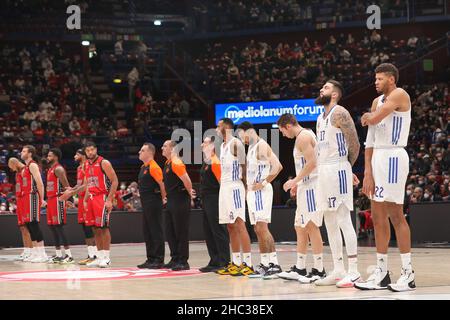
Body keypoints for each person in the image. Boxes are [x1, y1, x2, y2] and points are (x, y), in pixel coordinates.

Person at [356, 63, 415, 292]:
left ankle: (408, 273)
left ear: (391, 79)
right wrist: (367, 171)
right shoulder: (375, 101)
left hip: (393, 156)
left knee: (396, 215)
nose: (376, 82)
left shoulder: (399, 94)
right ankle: (382, 273)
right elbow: (369, 139)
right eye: (375, 79)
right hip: (377, 157)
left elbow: (376, 118)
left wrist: (368, 116)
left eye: (380, 79)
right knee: (377, 216)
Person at [313, 80, 361, 288]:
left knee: (343, 219)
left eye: (326, 88)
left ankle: (355, 271)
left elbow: (355, 143)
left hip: (337, 167)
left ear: (334, 94)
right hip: (323, 170)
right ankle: (338, 269)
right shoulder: (319, 118)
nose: (321, 90)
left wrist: (347, 167)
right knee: (329, 221)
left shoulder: (340, 112)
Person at [276, 114, 326, 283]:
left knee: (312, 226)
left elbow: (312, 163)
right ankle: (300, 267)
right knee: (300, 226)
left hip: (312, 186)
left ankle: (319, 269)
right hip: (306, 185)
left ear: (288, 126)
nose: (283, 135)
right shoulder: (305, 134)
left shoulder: (303, 137)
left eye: (282, 131)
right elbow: (306, 164)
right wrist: (299, 183)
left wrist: (294, 181)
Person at [236, 121, 283, 279]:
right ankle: (264, 263)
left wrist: (263, 183)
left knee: (263, 228)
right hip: (252, 193)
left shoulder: (262, 145)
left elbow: (277, 166)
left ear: (247, 131)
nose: (241, 140)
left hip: (261, 192)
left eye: (241, 136)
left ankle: (274, 264)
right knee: (257, 229)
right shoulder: (251, 148)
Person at [215, 118, 255, 277]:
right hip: (224, 187)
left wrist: (245, 187)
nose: (217, 129)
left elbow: (244, 167)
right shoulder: (223, 145)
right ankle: (236, 262)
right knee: (230, 225)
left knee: (239, 223)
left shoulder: (236, 143)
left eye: (219, 126)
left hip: (235, 186)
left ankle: (248, 263)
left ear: (227, 127)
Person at [83, 141, 119, 268]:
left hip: (102, 197)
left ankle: (107, 257)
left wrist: (109, 199)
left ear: (96, 149)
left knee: (103, 227)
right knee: (95, 228)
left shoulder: (104, 162)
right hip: (92, 199)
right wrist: (85, 200)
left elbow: (115, 181)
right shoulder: (86, 164)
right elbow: (88, 184)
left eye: (92, 149)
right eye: (88, 150)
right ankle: (99, 257)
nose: (90, 152)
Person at [60, 148, 98, 265]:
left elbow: (87, 185)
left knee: (91, 228)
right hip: (81, 200)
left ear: (83, 155)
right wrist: (72, 189)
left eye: (77, 154)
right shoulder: (79, 168)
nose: (74, 156)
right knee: (84, 227)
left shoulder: (88, 166)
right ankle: (90, 255)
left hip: (88, 199)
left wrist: (72, 193)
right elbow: (80, 184)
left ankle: (96, 254)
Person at [198, 137, 230, 272]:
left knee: (218, 230)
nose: (202, 145)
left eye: (205, 142)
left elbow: (221, 182)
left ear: (212, 145)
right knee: (209, 231)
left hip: (215, 198)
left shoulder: (216, 162)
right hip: (206, 199)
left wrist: (224, 202)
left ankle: (224, 261)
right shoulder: (207, 162)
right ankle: (214, 260)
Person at [161, 140, 194, 271]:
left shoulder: (177, 162)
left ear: (172, 148)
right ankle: (175, 258)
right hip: (171, 200)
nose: (162, 148)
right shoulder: (167, 163)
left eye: (165, 146)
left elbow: (187, 180)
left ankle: (183, 261)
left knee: (180, 231)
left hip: (180, 200)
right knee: (170, 231)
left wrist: (190, 196)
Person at [137, 143, 166, 269]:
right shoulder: (144, 167)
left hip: (154, 202)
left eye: (142, 150)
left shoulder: (154, 167)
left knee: (156, 230)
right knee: (147, 231)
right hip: (146, 203)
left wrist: (164, 198)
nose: (139, 152)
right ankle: (151, 258)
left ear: (150, 153)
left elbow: (162, 184)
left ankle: (159, 259)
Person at [45, 148, 74, 264]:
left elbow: (67, 185)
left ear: (56, 157)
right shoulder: (50, 169)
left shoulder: (58, 169)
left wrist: (69, 199)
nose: (47, 157)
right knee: (52, 227)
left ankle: (69, 255)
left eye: (50, 155)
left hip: (58, 199)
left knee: (59, 227)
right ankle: (58, 255)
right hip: (51, 200)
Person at [20, 145, 48, 263]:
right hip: (26, 197)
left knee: (34, 224)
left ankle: (42, 254)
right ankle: (35, 252)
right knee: (29, 225)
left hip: (32, 197)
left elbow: (40, 183)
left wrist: (42, 199)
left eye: (24, 151)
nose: (21, 152)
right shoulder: (26, 167)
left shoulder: (32, 165)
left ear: (30, 153)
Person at [8, 157, 32, 261]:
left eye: (11, 167)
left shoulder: (26, 170)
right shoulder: (17, 173)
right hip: (19, 200)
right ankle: (26, 250)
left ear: (15, 163)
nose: (12, 170)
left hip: (26, 200)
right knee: (22, 227)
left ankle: (31, 250)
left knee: (28, 227)